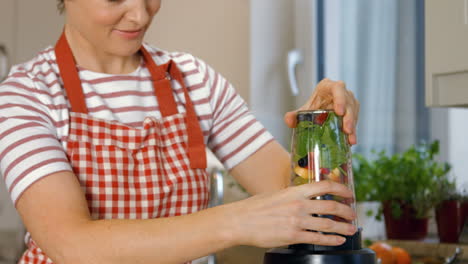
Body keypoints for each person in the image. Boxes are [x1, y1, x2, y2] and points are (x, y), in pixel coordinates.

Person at [0, 0, 360, 263]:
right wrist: (237, 221)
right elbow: (73, 246)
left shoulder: (194, 81)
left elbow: (302, 200)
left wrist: (320, 131)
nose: (140, 14)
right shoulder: (28, 93)